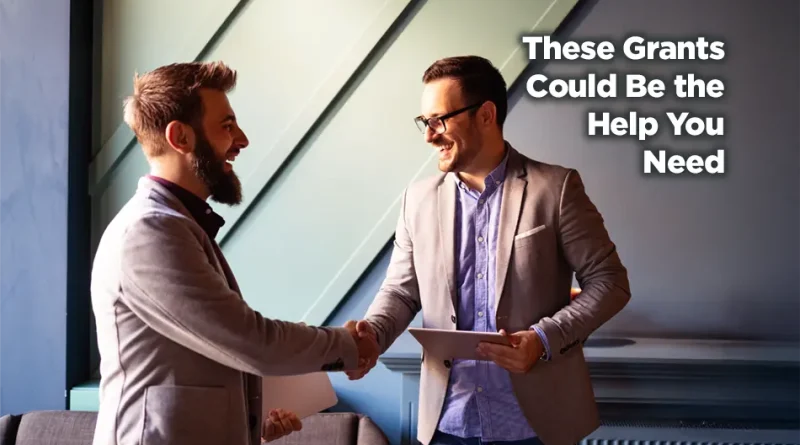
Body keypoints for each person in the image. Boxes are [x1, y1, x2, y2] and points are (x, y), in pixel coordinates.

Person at [345, 56, 631, 445]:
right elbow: (400, 291)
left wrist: (543, 339)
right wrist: (371, 337)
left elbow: (610, 283)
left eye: (439, 120)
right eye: (424, 122)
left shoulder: (557, 188)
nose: (429, 136)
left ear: (485, 115)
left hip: (535, 427)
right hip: (447, 423)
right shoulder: (417, 199)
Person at [90, 61, 379, 445]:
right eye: (227, 126)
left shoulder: (174, 224)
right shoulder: (150, 231)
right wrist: (346, 346)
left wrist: (248, 426)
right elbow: (250, 340)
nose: (242, 140)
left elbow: (198, 361)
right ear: (181, 138)